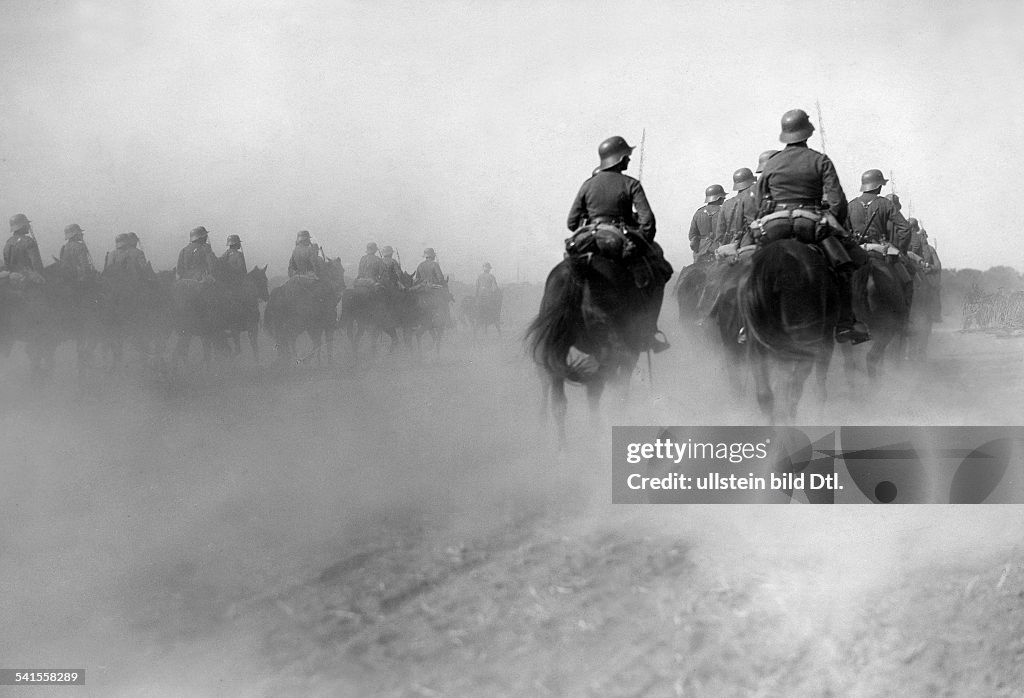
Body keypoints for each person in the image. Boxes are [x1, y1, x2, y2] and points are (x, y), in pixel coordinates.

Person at [755, 108, 870, 344]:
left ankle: (746, 326)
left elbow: (758, 201)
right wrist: (832, 219)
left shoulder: (772, 163)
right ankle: (845, 324)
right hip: (810, 223)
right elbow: (837, 202)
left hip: (774, 226)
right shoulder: (820, 160)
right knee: (845, 265)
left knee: (751, 264)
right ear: (807, 133)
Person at [565, 135, 672, 353]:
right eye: (627, 157)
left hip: (588, 239)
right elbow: (648, 222)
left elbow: (571, 222)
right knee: (661, 270)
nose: (629, 161)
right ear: (619, 158)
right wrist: (639, 242)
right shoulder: (631, 183)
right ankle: (650, 330)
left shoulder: (587, 185)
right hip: (619, 238)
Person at [716, 168, 758, 248]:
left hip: (732, 246)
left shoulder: (726, 204)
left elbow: (720, 234)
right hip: (754, 242)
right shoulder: (755, 198)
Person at [688, 184, 726, 261]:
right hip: (718, 252)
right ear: (719, 198)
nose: (724, 199)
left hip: (701, 252)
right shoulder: (724, 211)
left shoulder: (698, 213)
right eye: (722, 197)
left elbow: (691, 235)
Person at [3, 213, 44, 279]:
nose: (28, 226)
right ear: (23, 226)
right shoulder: (28, 242)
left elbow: (7, 267)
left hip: (14, 283)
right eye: (27, 224)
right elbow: (37, 265)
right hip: (30, 282)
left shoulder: (8, 243)